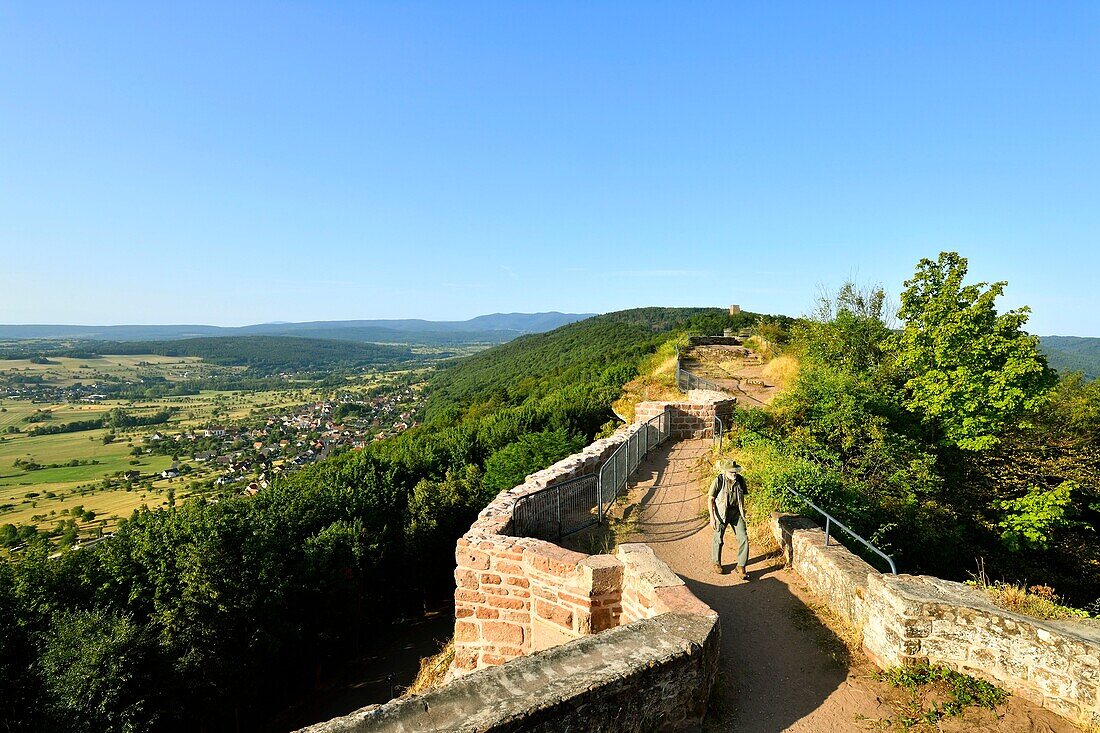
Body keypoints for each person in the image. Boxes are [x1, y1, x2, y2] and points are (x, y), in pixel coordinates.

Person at [708, 459, 750, 579]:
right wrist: (712, 517)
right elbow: (710, 499)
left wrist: (743, 511)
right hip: (721, 514)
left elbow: (743, 496)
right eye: (731, 471)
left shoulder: (740, 480)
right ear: (725, 471)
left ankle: (741, 566)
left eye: (735, 471)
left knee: (744, 538)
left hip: (736, 513)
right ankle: (716, 563)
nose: (734, 473)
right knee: (718, 538)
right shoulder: (718, 481)